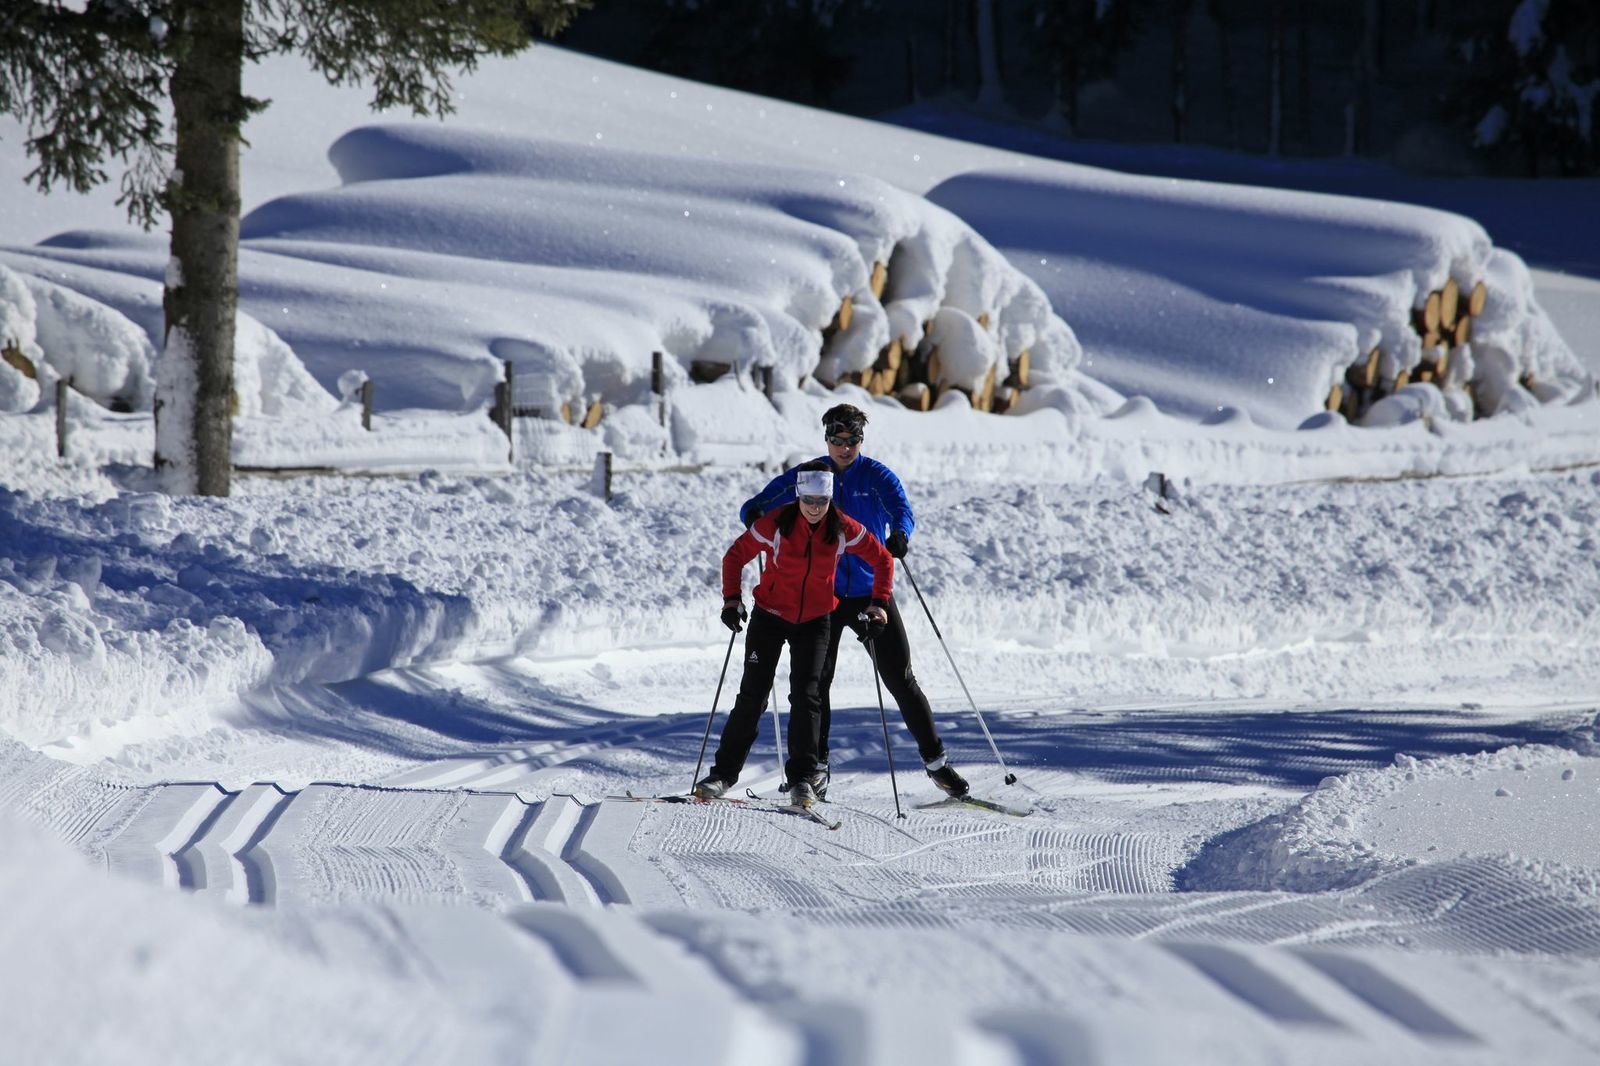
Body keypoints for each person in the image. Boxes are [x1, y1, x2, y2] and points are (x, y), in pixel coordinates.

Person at [739, 403, 969, 800]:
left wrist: (900, 533)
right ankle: (817, 767)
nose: (845, 447)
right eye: (837, 439)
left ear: (862, 440)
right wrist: (754, 512)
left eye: (853, 440)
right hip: (822, 597)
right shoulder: (809, 475)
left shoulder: (875, 474)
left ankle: (936, 763)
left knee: (900, 677)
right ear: (826, 438)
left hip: (868, 593)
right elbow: (763, 500)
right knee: (815, 686)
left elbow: (901, 509)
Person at [696, 462, 894, 809]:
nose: (815, 507)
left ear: (830, 498)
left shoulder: (843, 527)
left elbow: (883, 560)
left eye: (822, 500)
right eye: (808, 499)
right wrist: (731, 599)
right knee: (752, 695)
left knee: (807, 696)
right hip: (769, 617)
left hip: (816, 621)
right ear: (799, 496)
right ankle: (722, 775)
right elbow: (735, 556)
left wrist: (879, 605)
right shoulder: (776, 523)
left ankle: (802, 778)